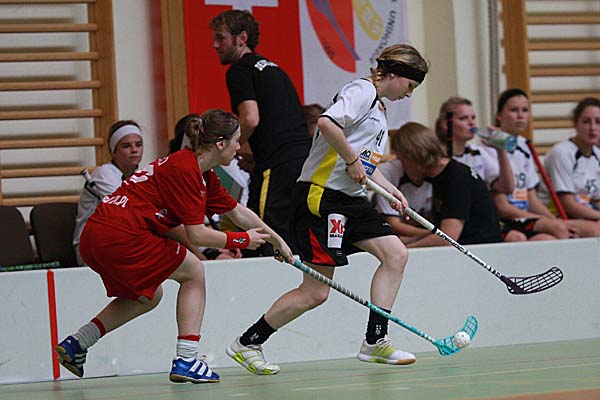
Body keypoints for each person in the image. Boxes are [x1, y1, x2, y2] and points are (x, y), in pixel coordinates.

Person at [226, 44, 429, 375]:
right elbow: (327, 123)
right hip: (321, 198)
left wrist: (391, 191)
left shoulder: (378, 108)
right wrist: (351, 158)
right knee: (315, 293)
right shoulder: (361, 91)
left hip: (350, 199)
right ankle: (248, 343)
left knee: (396, 255)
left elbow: (364, 165)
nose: (408, 94)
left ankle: (375, 340)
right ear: (394, 75)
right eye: (410, 86)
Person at [54, 109, 294, 384]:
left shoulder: (203, 174)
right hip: (123, 234)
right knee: (193, 272)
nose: (239, 147)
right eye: (236, 140)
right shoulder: (186, 170)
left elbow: (238, 212)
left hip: (96, 237)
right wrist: (242, 240)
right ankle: (187, 359)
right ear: (220, 143)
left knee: (148, 296)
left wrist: (277, 241)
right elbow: (197, 235)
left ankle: (78, 343)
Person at [210, 10, 312, 255]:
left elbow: (250, 118)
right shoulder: (273, 69)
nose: (215, 45)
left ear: (241, 38)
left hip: (278, 167)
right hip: (303, 162)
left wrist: (230, 148)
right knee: (293, 235)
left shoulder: (239, 70)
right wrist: (254, 151)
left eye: (221, 38)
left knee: (266, 236)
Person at [489, 88, 600, 238]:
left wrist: (550, 221)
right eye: (514, 110)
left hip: (533, 216)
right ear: (499, 115)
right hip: (508, 220)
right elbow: (502, 207)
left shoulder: (524, 146)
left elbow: (532, 199)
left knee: (550, 235)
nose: (520, 116)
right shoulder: (487, 151)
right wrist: (550, 221)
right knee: (582, 230)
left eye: (525, 110)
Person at [393, 122, 520, 248]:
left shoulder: (456, 178)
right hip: (466, 245)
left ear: (414, 156)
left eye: (403, 160)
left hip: (478, 248)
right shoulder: (439, 175)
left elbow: (447, 238)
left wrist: (406, 249)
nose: (402, 166)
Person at [72, 120, 143, 266]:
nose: (134, 150)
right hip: (92, 246)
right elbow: (127, 212)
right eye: (126, 146)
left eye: (138, 144)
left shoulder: (141, 176)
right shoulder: (103, 174)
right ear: (113, 151)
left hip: (123, 243)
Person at [541, 97, 600, 221]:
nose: (592, 128)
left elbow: (596, 199)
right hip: (555, 217)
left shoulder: (597, 154)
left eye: (598, 122)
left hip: (584, 215)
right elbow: (568, 205)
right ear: (575, 123)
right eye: (586, 122)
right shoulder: (562, 153)